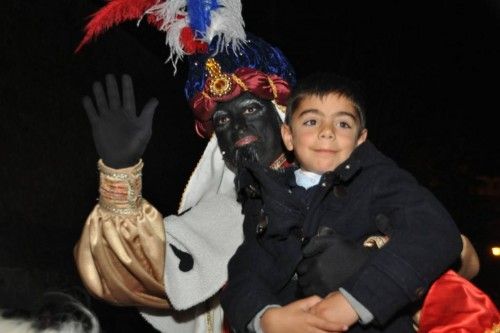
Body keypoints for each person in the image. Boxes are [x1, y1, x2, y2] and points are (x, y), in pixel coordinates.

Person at [220, 72, 475, 332]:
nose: (327, 132)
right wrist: (266, 319)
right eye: (311, 121)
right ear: (288, 135)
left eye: (343, 124)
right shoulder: (268, 197)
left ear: (361, 139)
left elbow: (433, 231)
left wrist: (356, 300)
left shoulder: (378, 178)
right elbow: (246, 270)